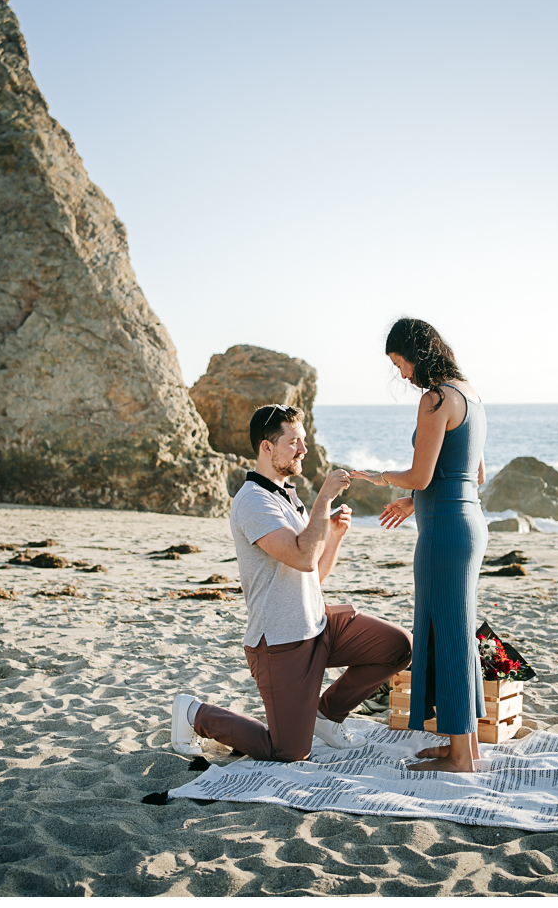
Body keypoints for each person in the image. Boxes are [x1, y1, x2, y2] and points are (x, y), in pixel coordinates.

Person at [171, 403, 413, 763]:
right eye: (294, 442)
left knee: (397, 647)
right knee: (288, 750)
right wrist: (324, 499)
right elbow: (300, 555)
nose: (304, 450)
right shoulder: (253, 501)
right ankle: (194, 713)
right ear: (266, 448)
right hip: (281, 641)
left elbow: (311, 573)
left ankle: (326, 714)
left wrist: (335, 535)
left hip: (318, 625)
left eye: (304, 440)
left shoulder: (288, 495)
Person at [349, 318, 487, 773]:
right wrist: (415, 500)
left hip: (445, 533)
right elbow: (474, 474)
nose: (403, 375)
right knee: (455, 633)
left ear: (417, 353)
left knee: (447, 635)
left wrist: (379, 476)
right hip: (466, 523)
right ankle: (458, 746)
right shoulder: (469, 393)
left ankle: (460, 757)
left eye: (400, 363)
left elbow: (422, 475)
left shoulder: (435, 400)